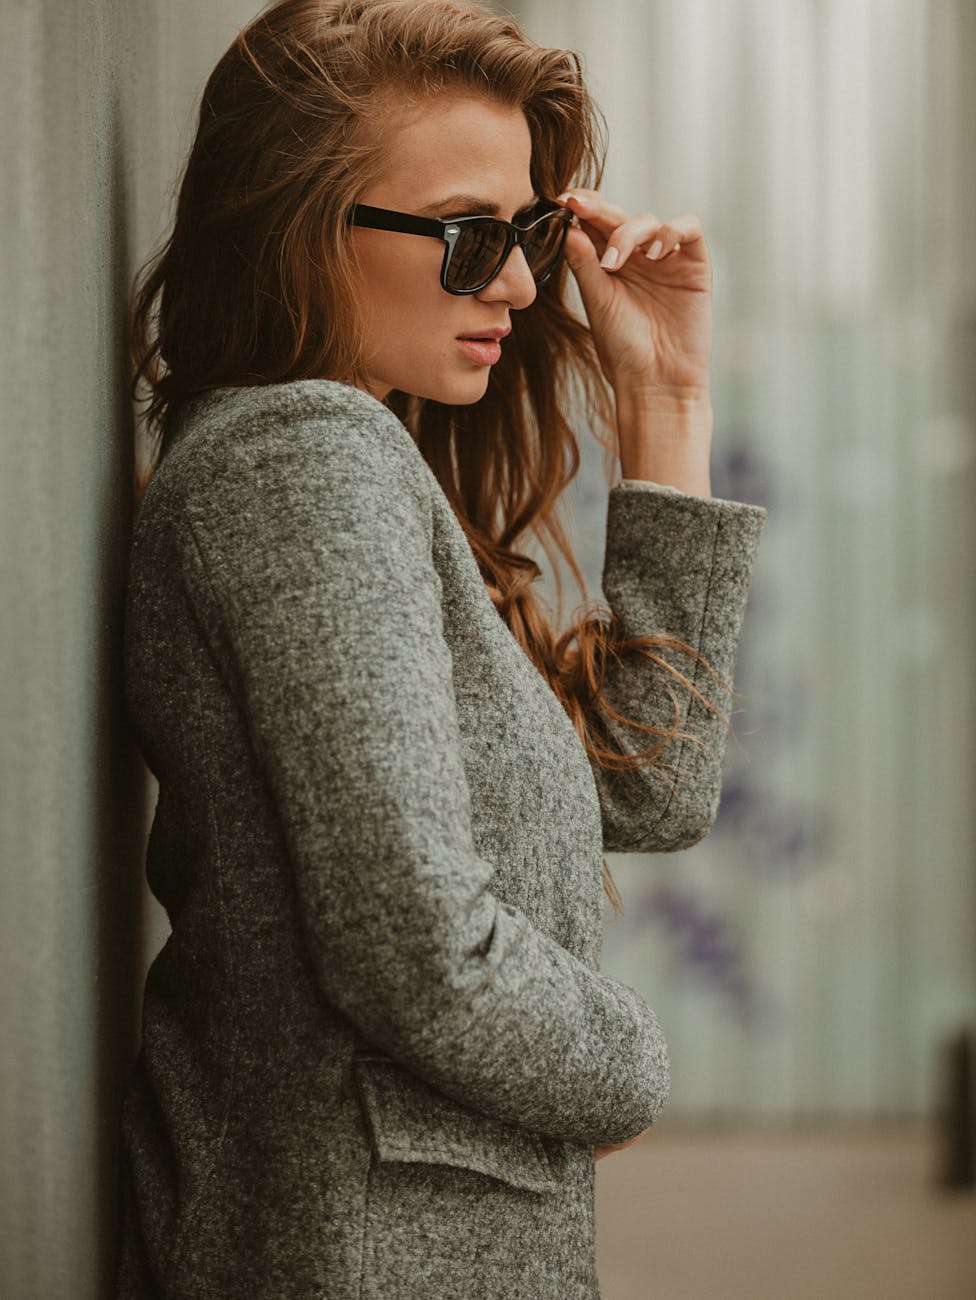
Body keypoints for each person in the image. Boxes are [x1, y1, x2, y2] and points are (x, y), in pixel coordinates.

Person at [116, 0, 767, 1296]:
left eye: (527, 232)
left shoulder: (353, 462)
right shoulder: (304, 458)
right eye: (474, 238)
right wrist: (629, 1062)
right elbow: (410, 946)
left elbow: (645, 787)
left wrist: (667, 401)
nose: (523, 284)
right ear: (304, 230)